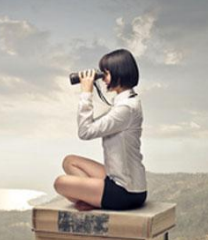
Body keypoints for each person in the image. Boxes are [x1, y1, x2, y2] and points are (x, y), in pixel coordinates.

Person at [53, 48, 147, 211]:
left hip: (125, 192)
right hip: (121, 179)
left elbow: (85, 132)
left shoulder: (126, 108)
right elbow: (94, 124)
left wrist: (86, 93)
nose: (103, 79)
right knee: (70, 161)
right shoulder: (126, 101)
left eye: (106, 74)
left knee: (60, 183)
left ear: (119, 73)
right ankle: (91, 198)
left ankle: (92, 199)